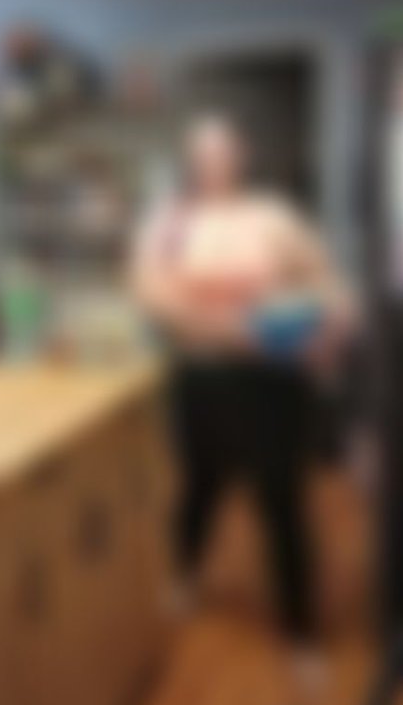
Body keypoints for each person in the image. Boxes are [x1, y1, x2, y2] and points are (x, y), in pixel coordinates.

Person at [131, 114, 355, 651]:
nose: (213, 165)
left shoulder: (273, 218)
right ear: (191, 162)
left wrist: (328, 329)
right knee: (198, 490)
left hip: (274, 387)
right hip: (200, 381)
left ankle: (301, 631)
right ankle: (184, 577)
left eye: (222, 152)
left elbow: (331, 287)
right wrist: (241, 332)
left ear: (241, 156)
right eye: (202, 155)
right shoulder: (169, 223)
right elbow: (155, 298)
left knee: (282, 503)